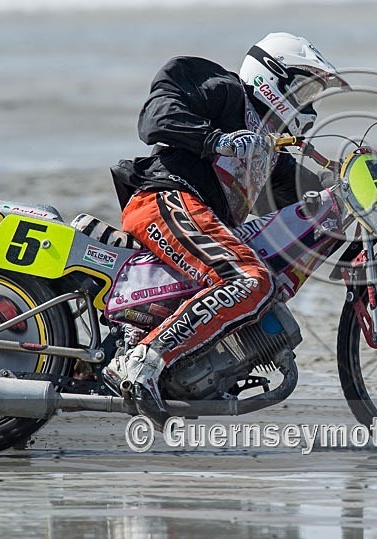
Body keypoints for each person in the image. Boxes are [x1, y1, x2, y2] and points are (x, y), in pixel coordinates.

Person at [102, 32, 348, 425]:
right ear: (272, 77)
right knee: (249, 279)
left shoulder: (268, 151)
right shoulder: (224, 90)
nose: (308, 106)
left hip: (197, 218)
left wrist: (356, 179)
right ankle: (142, 362)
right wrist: (216, 140)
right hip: (166, 198)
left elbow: (311, 201)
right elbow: (156, 117)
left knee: (265, 272)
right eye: (303, 91)